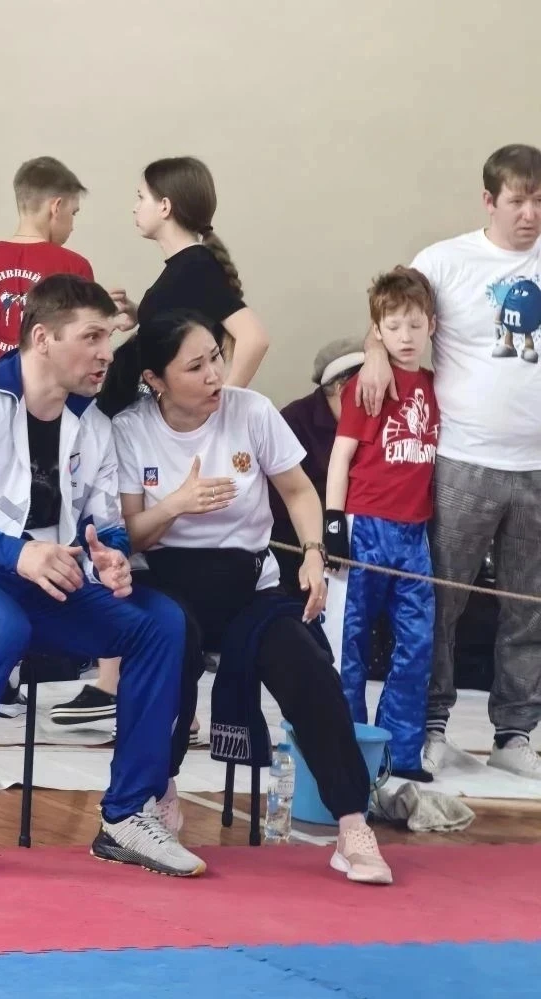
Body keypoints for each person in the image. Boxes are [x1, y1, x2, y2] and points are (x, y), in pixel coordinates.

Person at [0, 274, 205, 881]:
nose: (107, 354)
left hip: (42, 578)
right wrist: (15, 554)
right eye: (92, 337)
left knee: (161, 623)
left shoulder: (95, 424)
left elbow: (105, 527)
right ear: (42, 339)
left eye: (109, 338)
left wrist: (110, 558)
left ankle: (128, 815)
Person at [98, 310, 393, 886]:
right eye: (195, 366)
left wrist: (313, 554)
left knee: (307, 665)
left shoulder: (251, 411)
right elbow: (131, 534)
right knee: (167, 645)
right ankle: (159, 792)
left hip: (250, 586)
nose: (215, 374)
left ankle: (352, 823)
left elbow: (299, 492)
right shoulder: (130, 428)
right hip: (165, 583)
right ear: (155, 379)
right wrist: (177, 504)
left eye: (216, 357)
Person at [51, 156, 271, 729]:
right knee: (117, 531)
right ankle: (121, 680)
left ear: (166, 205)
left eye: (141, 196)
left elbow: (252, 337)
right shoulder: (183, 269)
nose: (135, 206)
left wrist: (222, 405)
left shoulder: (195, 266)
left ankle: (119, 683)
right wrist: (136, 316)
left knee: (118, 533)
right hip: (129, 423)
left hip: (141, 429)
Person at [357, 144, 541, 779]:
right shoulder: (445, 260)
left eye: (539, 201)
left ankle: (515, 733)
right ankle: (431, 723)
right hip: (464, 457)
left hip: (536, 464)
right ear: (489, 200)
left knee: (528, 604)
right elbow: (389, 309)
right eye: (517, 201)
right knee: (441, 603)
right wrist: (373, 352)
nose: (529, 213)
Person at [323, 268, 438, 781]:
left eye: (415, 325)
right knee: (349, 644)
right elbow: (341, 455)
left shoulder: (434, 385)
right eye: (393, 327)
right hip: (364, 526)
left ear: (431, 326)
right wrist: (332, 522)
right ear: (378, 330)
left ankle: (401, 753)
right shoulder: (367, 386)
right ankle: (347, 750)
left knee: (416, 643)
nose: (405, 337)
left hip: (415, 533)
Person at [0, 157, 93, 375]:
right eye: (74, 213)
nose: (72, 226)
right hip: (50, 394)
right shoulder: (75, 266)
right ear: (56, 207)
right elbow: (83, 348)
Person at [269, 337, 366, 593]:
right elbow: (284, 501)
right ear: (343, 389)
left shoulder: (379, 419)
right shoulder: (294, 421)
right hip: (303, 549)